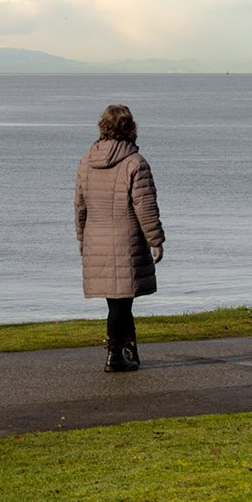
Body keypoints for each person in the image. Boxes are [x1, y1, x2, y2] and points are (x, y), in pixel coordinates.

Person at [74, 102, 165, 373]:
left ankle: (129, 349)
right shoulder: (135, 163)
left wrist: (83, 240)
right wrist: (155, 240)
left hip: (96, 238)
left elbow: (80, 206)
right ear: (131, 128)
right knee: (121, 302)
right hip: (125, 241)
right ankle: (115, 354)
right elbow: (145, 206)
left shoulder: (86, 161)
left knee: (118, 301)